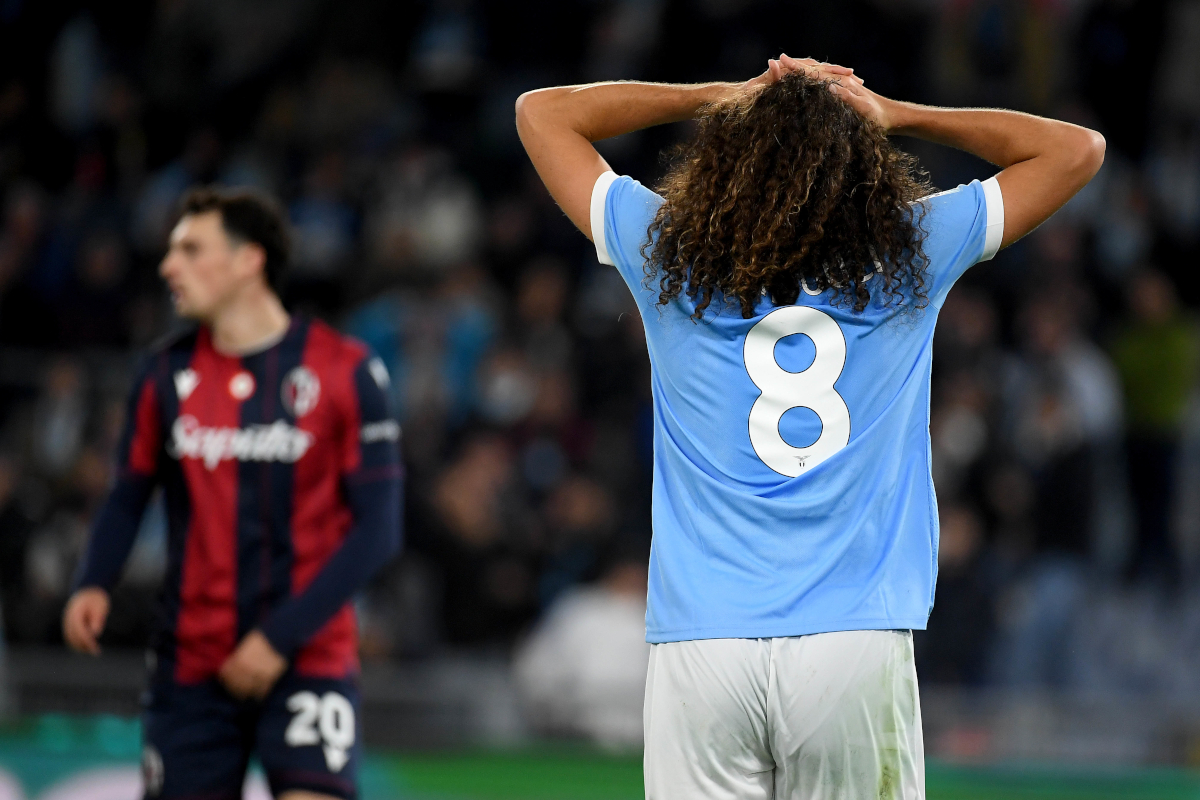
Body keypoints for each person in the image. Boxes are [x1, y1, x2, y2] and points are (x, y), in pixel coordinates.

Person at [516, 54, 1103, 799]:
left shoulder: (664, 251)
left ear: (728, 159)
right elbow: (1077, 150)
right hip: (850, 639)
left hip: (704, 642)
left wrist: (717, 95)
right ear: (865, 167)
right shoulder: (912, 252)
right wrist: (901, 112)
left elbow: (542, 112)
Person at [61, 187, 403, 800]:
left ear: (249, 261)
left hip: (308, 657)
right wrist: (93, 580)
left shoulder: (345, 370)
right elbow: (127, 493)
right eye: (170, 252)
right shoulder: (163, 373)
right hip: (191, 663)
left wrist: (279, 637)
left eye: (192, 250)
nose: (169, 267)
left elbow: (379, 529)